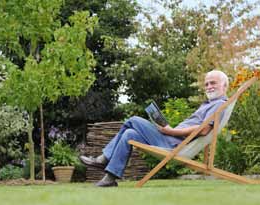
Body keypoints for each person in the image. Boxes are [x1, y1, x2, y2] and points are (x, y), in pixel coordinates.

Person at [80, 70, 229, 187]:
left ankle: (103, 158)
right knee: (129, 133)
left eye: (213, 83)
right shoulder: (209, 104)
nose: (209, 87)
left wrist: (171, 131)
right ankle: (109, 179)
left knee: (133, 120)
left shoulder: (219, 105)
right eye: (207, 84)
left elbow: (203, 130)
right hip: (172, 139)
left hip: (174, 144)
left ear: (224, 86)